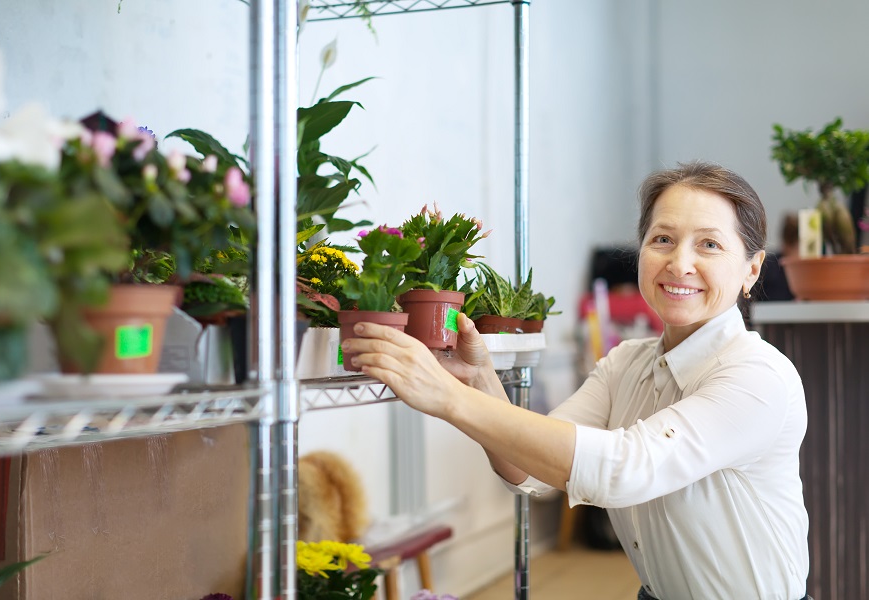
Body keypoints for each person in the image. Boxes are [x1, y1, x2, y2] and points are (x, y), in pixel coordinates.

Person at [342, 161, 810, 600]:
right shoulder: (626, 362)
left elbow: (624, 469)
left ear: (752, 269)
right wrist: (478, 384)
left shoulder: (758, 376)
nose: (679, 263)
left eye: (709, 244)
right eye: (663, 239)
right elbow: (532, 473)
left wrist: (448, 399)